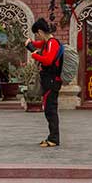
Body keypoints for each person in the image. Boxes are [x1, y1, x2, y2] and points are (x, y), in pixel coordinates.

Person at [26, 18, 63, 147]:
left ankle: (54, 138)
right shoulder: (47, 42)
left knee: (50, 109)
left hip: (52, 81)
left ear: (41, 31)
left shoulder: (52, 43)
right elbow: (39, 44)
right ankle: (52, 136)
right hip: (49, 80)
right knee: (49, 108)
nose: (37, 36)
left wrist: (34, 55)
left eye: (36, 34)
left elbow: (47, 60)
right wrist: (31, 44)